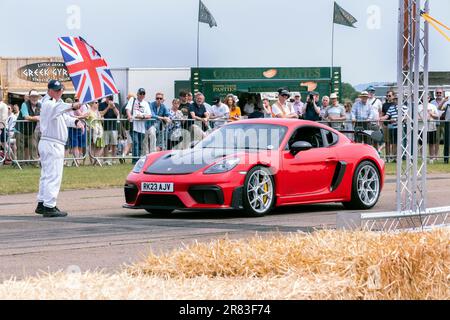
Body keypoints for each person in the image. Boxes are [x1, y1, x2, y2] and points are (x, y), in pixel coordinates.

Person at [35, 80, 85, 218]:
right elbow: (62, 109)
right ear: (49, 90)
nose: (60, 92)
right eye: (57, 90)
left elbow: (65, 118)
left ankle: (42, 202)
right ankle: (49, 205)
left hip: (50, 143)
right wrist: (74, 105)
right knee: (54, 175)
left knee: (46, 175)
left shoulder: (54, 104)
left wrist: (76, 121)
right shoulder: (48, 103)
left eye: (61, 89)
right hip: (52, 143)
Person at [125, 88, 152, 164]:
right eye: (140, 93)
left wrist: (142, 117)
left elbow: (149, 115)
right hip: (133, 125)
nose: (142, 95)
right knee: (135, 142)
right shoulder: (132, 100)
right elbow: (128, 109)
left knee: (140, 143)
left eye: (143, 94)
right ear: (137, 94)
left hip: (142, 127)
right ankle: (135, 160)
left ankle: (139, 159)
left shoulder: (146, 103)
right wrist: (130, 116)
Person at [16, 90, 42, 163]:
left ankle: (34, 163)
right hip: (20, 129)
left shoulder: (40, 105)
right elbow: (26, 117)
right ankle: (20, 163)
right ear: (29, 98)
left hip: (32, 130)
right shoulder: (24, 104)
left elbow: (43, 115)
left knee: (34, 146)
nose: (34, 98)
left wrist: (39, 117)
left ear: (38, 97)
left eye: (36, 97)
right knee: (20, 147)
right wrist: (37, 118)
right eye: (32, 97)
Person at [99, 95, 120, 165]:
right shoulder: (102, 104)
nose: (110, 100)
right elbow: (101, 114)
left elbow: (117, 114)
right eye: (109, 98)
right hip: (105, 127)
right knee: (106, 145)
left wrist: (113, 107)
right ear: (106, 98)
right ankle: (106, 160)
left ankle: (113, 160)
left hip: (114, 127)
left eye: (111, 98)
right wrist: (108, 107)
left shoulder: (116, 104)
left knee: (114, 144)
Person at [86, 101, 105, 165]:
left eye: (97, 102)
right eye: (96, 102)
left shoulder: (97, 111)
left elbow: (100, 119)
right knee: (92, 146)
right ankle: (93, 161)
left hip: (99, 131)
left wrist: (101, 118)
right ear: (92, 104)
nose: (97, 104)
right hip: (91, 130)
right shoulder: (88, 111)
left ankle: (95, 159)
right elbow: (84, 117)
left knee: (100, 146)